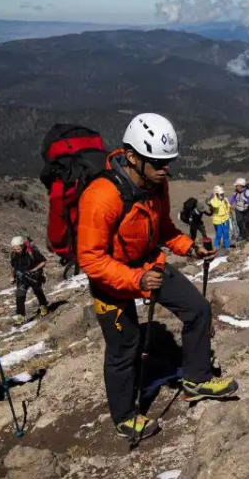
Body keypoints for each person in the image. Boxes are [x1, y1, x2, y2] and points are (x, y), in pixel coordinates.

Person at [77, 113, 238, 441]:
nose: (166, 169)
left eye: (169, 162)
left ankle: (196, 378)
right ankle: (124, 416)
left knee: (198, 310)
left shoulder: (157, 183)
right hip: (113, 280)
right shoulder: (101, 196)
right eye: (158, 162)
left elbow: (162, 227)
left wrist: (189, 248)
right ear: (133, 157)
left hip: (148, 264)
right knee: (125, 347)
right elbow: (91, 260)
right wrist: (135, 281)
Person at [10, 235, 49, 326]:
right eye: (15, 249)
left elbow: (43, 262)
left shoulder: (32, 252)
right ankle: (20, 316)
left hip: (34, 277)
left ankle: (43, 306)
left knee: (38, 292)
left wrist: (34, 270)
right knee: (20, 296)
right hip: (21, 278)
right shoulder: (14, 254)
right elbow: (13, 266)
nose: (16, 250)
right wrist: (12, 277)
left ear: (22, 245)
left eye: (18, 248)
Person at [208, 185, 231, 251]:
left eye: (223, 194)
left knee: (226, 234)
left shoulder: (225, 199)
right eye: (220, 194)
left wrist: (229, 212)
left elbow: (228, 207)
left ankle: (227, 247)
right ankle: (215, 247)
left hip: (225, 218)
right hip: (217, 220)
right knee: (219, 234)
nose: (222, 195)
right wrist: (215, 197)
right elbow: (216, 205)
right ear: (216, 194)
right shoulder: (213, 201)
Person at [230, 177, 249, 243]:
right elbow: (233, 198)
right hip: (238, 209)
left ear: (241, 185)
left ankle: (247, 235)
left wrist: (247, 202)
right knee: (239, 221)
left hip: (247, 210)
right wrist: (230, 203)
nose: (235, 186)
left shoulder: (247, 192)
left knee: (247, 222)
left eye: (237, 185)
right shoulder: (236, 192)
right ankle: (241, 234)